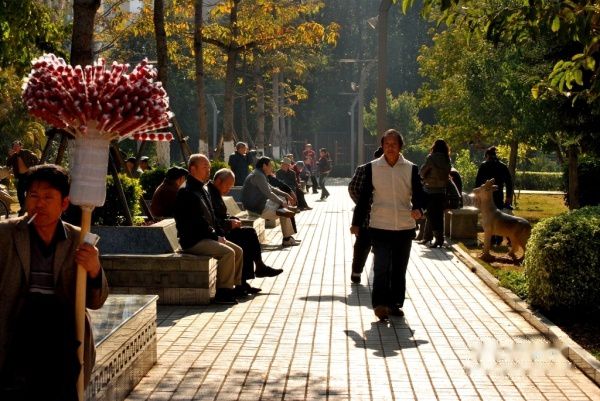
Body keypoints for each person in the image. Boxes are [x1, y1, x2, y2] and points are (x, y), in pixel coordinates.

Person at [0, 164, 109, 400]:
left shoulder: (79, 239)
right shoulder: (6, 234)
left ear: (64, 203)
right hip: (16, 333)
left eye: (48, 197)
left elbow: (97, 301)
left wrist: (93, 269)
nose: (39, 204)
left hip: (62, 339)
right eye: (33, 195)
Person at [351, 129, 425, 320]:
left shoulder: (410, 168)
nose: (390, 148)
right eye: (386, 144)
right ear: (382, 146)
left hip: (404, 227)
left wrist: (418, 209)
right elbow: (364, 198)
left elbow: (419, 194)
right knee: (381, 266)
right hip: (380, 225)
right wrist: (356, 223)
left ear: (400, 146)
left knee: (399, 269)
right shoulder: (372, 168)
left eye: (394, 144)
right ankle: (379, 304)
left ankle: (394, 304)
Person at [174, 154, 244, 304]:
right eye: (205, 167)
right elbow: (196, 222)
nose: (208, 171)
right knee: (228, 253)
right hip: (193, 240)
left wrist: (220, 234)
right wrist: (215, 237)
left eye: (209, 167)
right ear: (193, 169)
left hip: (206, 237)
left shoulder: (202, 188)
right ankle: (223, 293)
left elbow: (211, 216)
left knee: (238, 251)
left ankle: (236, 286)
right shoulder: (186, 191)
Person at [207, 169, 284, 293]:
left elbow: (221, 215)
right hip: (216, 234)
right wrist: (229, 223)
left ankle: (249, 276)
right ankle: (250, 275)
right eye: (227, 186)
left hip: (222, 229)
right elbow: (212, 220)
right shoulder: (209, 194)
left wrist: (232, 219)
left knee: (249, 233)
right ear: (218, 181)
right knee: (245, 238)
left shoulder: (215, 192)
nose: (228, 190)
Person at [241, 156, 300, 247]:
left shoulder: (259, 173)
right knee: (284, 211)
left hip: (259, 204)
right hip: (256, 209)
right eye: (270, 165)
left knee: (283, 204)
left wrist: (286, 195)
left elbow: (271, 188)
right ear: (264, 166)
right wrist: (282, 203)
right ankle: (287, 239)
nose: (272, 168)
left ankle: (288, 237)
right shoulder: (258, 175)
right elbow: (269, 193)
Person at [347, 147, 384, 284]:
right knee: (362, 245)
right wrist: (365, 204)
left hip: (387, 218)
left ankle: (381, 275)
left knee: (380, 248)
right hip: (366, 217)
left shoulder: (397, 172)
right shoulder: (364, 169)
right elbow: (353, 188)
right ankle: (356, 271)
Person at [475, 146, 514, 245]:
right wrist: (508, 197)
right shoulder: (502, 166)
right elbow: (509, 183)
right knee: (499, 216)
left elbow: (478, 182)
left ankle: (491, 239)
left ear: (487, 156)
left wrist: (477, 195)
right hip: (498, 195)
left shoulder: (484, 166)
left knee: (488, 217)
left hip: (486, 196)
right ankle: (499, 238)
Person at [419, 139, 451, 248]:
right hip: (442, 191)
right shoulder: (447, 159)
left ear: (434, 147)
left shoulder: (431, 158)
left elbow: (423, 172)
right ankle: (428, 237)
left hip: (430, 190)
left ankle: (438, 239)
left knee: (431, 215)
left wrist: (424, 176)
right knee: (436, 215)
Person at [6, 140, 39, 216]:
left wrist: (33, 167)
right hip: (20, 176)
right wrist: (10, 156)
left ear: (21, 146)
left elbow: (35, 158)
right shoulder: (13, 156)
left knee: (29, 192)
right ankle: (23, 207)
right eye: (14, 146)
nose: (15, 147)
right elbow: (8, 164)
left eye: (17, 146)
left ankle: (30, 207)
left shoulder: (26, 152)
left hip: (28, 174)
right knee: (20, 193)